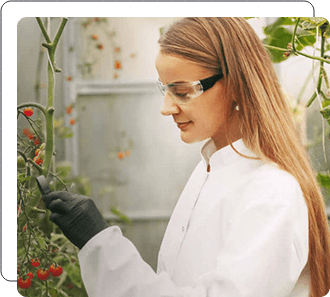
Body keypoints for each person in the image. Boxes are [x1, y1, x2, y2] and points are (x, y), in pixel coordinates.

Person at [42, 17, 330, 297]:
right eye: (166, 90)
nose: (166, 108)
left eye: (182, 91)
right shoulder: (210, 168)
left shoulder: (270, 193)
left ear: (235, 84)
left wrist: (100, 242)